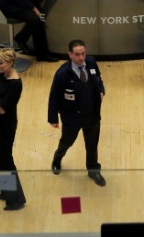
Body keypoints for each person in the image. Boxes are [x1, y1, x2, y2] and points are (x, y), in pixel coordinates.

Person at [48, 39, 106, 187]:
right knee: (67, 141)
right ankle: (57, 159)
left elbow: (98, 78)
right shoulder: (62, 74)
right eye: (77, 54)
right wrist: (53, 117)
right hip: (72, 117)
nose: (81, 58)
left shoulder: (91, 62)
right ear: (70, 55)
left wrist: (101, 90)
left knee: (92, 145)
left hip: (92, 114)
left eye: (83, 54)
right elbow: (54, 96)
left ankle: (93, 170)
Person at [0, 48, 27, 211]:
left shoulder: (16, 83)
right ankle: (4, 191)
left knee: (7, 160)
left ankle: (17, 199)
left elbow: (2, 108)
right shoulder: (1, 75)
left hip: (6, 124)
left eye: (1, 63)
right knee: (0, 159)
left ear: (11, 63)